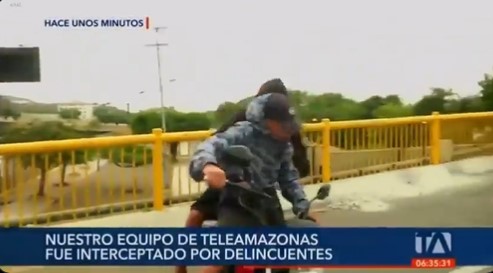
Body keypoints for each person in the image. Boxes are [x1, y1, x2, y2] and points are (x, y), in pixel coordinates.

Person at [176, 79, 309, 273]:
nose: (287, 129)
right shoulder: (243, 130)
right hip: (235, 192)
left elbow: (288, 176)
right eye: (282, 124)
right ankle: (181, 266)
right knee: (226, 257)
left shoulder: (285, 143)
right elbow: (211, 144)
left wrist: (300, 201)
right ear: (267, 119)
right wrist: (209, 165)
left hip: (265, 197)